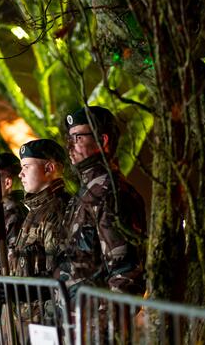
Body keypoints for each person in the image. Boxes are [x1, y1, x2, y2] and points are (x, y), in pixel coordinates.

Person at [56, 106, 147, 298]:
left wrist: (105, 324)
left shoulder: (110, 192)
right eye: (69, 138)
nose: (70, 146)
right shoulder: (88, 191)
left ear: (102, 140)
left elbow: (126, 273)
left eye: (78, 138)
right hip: (75, 318)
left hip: (93, 322)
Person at [10, 139, 69, 278]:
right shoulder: (37, 209)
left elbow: (57, 275)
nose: (20, 174)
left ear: (49, 168)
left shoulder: (57, 210)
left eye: (26, 167)